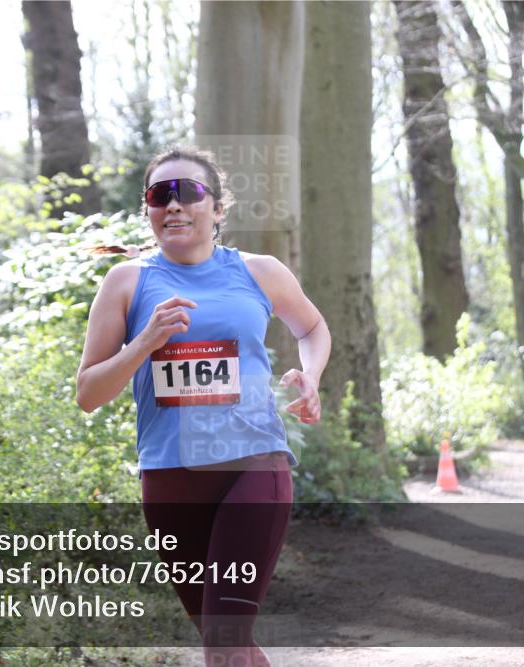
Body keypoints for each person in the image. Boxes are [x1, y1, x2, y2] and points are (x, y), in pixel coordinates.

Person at [76, 146, 331, 667]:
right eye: (159, 195)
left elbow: (311, 327)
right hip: (170, 478)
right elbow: (88, 394)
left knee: (224, 641)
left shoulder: (260, 271)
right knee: (228, 642)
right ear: (148, 210)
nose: (173, 204)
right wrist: (145, 342)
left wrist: (312, 375)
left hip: (254, 466)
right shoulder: (126, 282)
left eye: (188, 191)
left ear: (217, 207)